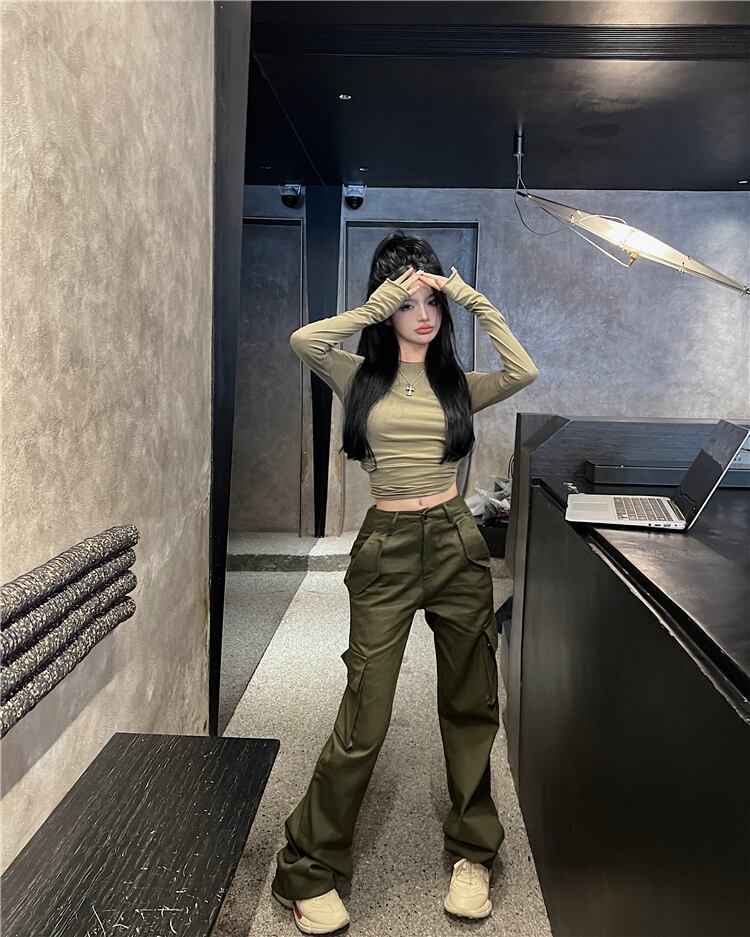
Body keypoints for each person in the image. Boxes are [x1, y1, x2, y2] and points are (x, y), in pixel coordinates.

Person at [272, 231, 539, 934]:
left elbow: (523, 370)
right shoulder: (357, 375)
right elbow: (303, 340)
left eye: (431, 302)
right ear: (386, 305)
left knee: (472, 703)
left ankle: (474, 853)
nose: (423, 315)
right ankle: (307, 867)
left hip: (455, 540)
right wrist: (375, 305)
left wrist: (472, 300)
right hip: (387, 547)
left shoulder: (456, 385)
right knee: (366, 714)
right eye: (407, 302)